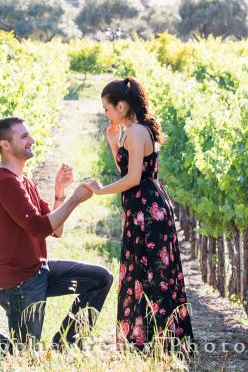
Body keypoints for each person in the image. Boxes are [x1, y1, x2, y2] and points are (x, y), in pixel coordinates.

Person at [0, 116, 113, 360]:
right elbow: (39, 228)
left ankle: (62, 349)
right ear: (5, 145)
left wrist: (60, 192)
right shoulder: (5, 183)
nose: (32, 140)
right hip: (19, 283)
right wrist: (76, 199)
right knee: (22, 355)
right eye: (24, 137)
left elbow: (55, 230)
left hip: (39, 271)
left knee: (100, 279)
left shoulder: (24, 181)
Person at [82, 77, 194, 354]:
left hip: (146, 212)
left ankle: (151, 344)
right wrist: (113, 142)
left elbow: (132, 179)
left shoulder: (135, 132)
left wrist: (101, 190)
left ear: (121, 106)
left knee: (147, 274)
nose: (106, 114)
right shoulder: (137, 130)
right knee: (151, 273)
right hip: (147, 208)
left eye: (107, 109)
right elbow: (133, 170)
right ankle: (158, 343)